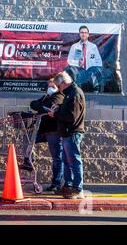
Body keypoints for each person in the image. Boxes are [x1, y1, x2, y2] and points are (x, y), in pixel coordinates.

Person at [48, 71, 86, 199]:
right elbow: (69, 111)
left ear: (63, 83)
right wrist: (58, 108)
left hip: (72, 132)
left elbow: (72, 117)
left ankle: (77, 188)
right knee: (67, 161)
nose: (59, 90)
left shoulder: (74, 94)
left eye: (59, 87)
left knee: (74, 161)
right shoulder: (70, 94)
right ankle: (68, 186)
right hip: (67, 133)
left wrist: (56, 114)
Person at [23, 78, 65, 192]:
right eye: (49, 86)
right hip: (42, 130)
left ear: (57, 87)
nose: (50, 88)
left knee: (57, 158)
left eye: (52, 86)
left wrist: (40, 105)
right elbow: (33, 104)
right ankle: (29, 159)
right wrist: (41, 105)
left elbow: (49, 106)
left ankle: (56, 183)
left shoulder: (59, 97)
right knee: (28, 140)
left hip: (53, 130)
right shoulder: (46, 97)